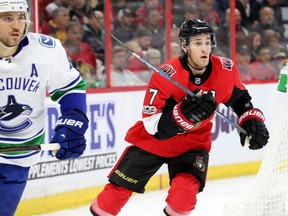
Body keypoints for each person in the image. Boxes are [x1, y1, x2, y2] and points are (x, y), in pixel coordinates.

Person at [90, 19, 269, 216]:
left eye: (208, 42)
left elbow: (240, 98)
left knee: (184, 198)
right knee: (111, 199)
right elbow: (152, 126)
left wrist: (251, 119)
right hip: (154, 142)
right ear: (185, 46)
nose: (205, 48)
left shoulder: (225, 70)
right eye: (197, 43)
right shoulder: (166, 75)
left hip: (192, 144)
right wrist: (185, 114)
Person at [0, 1, 88, 216]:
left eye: (21, 17)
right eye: (7, 18)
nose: (16, 25)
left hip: (18, 155)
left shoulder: (46, 50)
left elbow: (71, 88)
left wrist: (73, 124)